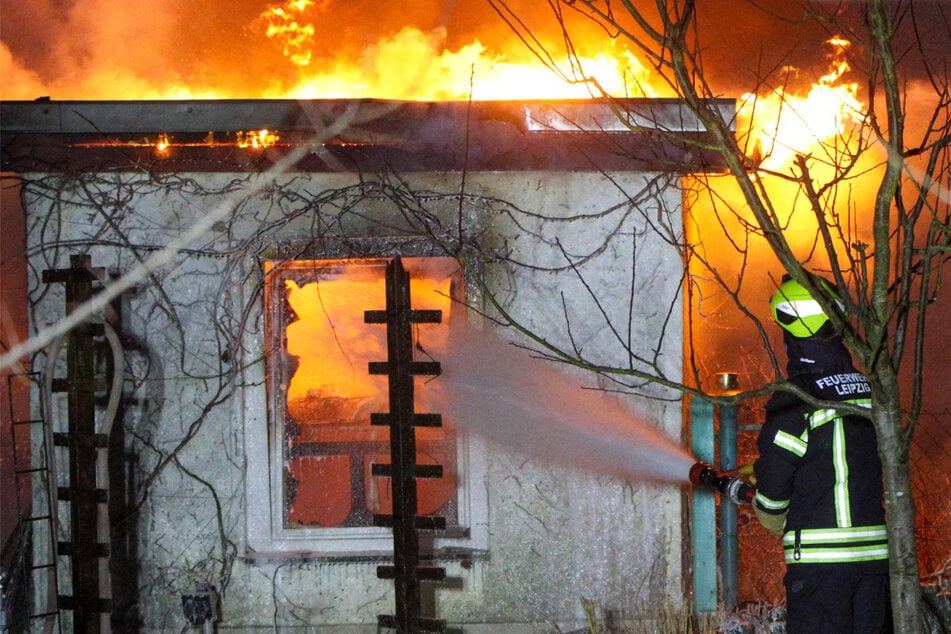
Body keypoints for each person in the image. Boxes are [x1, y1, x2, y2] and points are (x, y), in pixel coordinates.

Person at [753, 274, 892, 633]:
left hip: (820, 569)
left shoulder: (796, 398)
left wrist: (765, 507)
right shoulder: (871, 388)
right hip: (876, 563)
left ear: (789, 331)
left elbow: (772, 495)